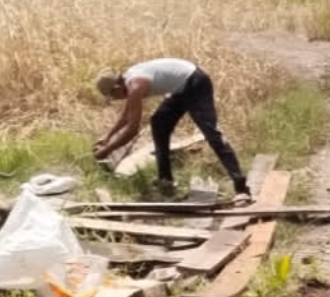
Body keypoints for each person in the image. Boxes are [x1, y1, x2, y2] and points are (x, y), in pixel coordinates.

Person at [93, 59, 253, 204]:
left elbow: (132, 129)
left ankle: (241, 188)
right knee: (159, 123)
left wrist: (106, 151)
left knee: (211, 133)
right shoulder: (129, 80)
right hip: (180, 87)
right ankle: (166, 182)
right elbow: (126, 116)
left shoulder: (135, 87)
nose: (116, 100)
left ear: (117, 88)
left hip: (195, 82)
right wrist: (108, 137)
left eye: (113, 97)